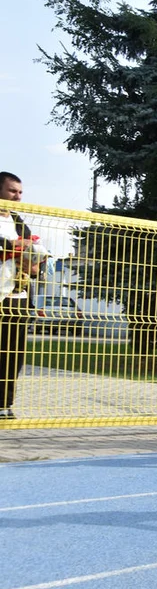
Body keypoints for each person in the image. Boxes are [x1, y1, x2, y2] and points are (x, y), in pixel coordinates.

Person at [0, 172, 35, 419]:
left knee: (12, 356)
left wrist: (33, 263)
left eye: (20, 192)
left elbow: (34, 260)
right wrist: (12, 247)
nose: (18, 197)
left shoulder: (19, 222)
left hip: (18, 299)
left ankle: (4, 405)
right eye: (13, 191)